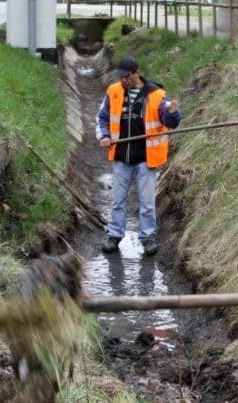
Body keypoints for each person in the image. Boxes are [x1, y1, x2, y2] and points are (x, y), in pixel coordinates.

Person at [95, 56, 182, 256]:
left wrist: (172, 112)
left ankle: (148, 238)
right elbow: (102, 118)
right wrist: (105, 136)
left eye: (126, 77)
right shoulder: (114, 91)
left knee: (147, 201)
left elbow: (170, 121)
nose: (123, 80)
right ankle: (114, 236)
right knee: (117, 200)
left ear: (136, 73)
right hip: (121, 156)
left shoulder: (156, 95)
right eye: (121, 77)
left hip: (146, 157)